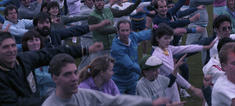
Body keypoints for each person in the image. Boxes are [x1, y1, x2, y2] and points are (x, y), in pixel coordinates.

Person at [0, 31, 103, 106]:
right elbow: (15, 103)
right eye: (5, 47)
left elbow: (50, 53)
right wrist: (52, 100)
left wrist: (84, 50)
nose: (11, 50)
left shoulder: (23, 60)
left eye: (13, 45)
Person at [42, 53, 172, 106]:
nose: (74, 78)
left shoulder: (82, 94)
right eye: (67, 74)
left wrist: (151, 102)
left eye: (75, 72)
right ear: (55, 78)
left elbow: (117, 99)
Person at [151, 23, 215, 102]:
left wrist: (204, 47)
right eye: (165, 38)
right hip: (164, 90)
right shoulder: (157, 57)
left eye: (169, 38)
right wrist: (192, 88)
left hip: (172, 87)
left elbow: (186, 48)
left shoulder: (167, 49)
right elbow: (175, 74)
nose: (168, 41)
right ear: (157, 38)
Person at [111, 19, 152, 95]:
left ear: (130, 30)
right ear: (117, 31)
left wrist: (157, 31)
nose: (125, 33)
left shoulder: (132, 37)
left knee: (134, 102)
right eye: (122, 31)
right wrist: (147, 72)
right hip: (118, 82)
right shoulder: (116, 48)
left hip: (132, 79)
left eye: (127, 30)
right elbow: (130, 65)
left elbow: (143, 34)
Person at [21, 30, 55, 97]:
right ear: (26, 44)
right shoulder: (23, 59)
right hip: (35, 96)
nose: (35, 43)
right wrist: (60, 79)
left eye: (37, 40)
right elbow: (39, 78)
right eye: (31, 41)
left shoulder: (45, 55)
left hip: (50, 90)